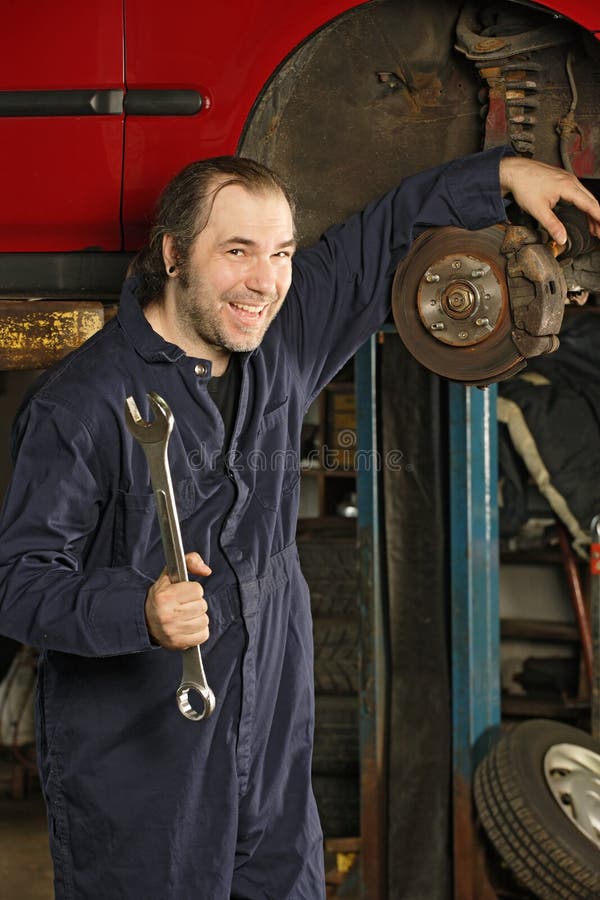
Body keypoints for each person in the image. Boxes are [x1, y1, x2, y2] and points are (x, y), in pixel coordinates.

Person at [0, 146, 598, 900]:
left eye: (281, 252)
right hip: (144, 777)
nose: (266, 280)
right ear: (174, 254)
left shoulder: (280, 335)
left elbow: (379, 238)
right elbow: (18, 583)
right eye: (238, 251)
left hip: (272, 754)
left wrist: (504, 174)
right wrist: (138, 610)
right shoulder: (80, 405)